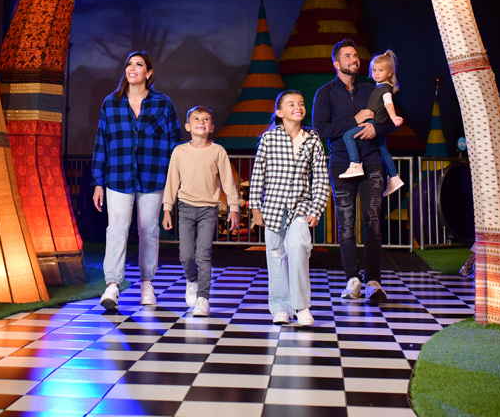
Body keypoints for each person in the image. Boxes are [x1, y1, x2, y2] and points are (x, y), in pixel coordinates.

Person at [92, 52, 181, 310]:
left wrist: (176, 179)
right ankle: (112, 285)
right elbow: (101, 143)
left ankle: (147, 283)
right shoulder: (111, 103)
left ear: (149, 73)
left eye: (139, 64)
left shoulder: (163, 104)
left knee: (149, 231)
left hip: (154, 176)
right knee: (116, 229)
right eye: (129, 64)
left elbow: (176, 141)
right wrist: (98, 181)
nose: (133, 68)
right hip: (117, 176)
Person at [313, 39, 394, 304]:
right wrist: (355, 120)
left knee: (372, 222)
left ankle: (373, 280)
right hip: (341, 164)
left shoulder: (372, 89)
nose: (354, 59)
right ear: (336, 63)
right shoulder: (325, 93)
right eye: (347, 56)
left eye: (356, 55)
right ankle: (352, 279)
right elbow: (322, 130)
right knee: (346, 223)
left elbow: (391, 123)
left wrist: (376, 129)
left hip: (371, 162)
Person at [249, 90, 329, 326]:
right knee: (276, 257)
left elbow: (321, 177)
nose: (298, 107)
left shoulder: (312, 139)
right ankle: (280, 307)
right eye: (291, 104)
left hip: (300, 207)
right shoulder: (269, 139)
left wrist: (317, 208)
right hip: (273, 208)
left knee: (298, 247)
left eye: (301, 104)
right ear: (279, 112)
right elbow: (257, 175)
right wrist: (255, 208)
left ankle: (302, 306)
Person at [161, 106, 240, 317]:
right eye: (196, 119)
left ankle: (203, 298)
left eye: (206, 119)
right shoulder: (179, 151)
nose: (201, 122)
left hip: (208, 209)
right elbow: (171, 182)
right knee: (186, 256)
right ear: (188, 126)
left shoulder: (218, 151)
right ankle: (192, 281)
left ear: (212, 127)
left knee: (203, 254)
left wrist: (234, 208)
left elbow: (227, 182)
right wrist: (167, 208)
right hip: (186, 208)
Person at [338, 51, 407, 199]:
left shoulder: (384, 89)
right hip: (376, 122)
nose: (376, 73)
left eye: (380, 70)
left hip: (374, 122)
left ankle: (355, 163)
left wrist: (394, 117)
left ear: (390, 72)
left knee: (348, 135)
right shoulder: (379, 86)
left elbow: (388, 103)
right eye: (374, 70)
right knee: (383, 150)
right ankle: (394, 177)